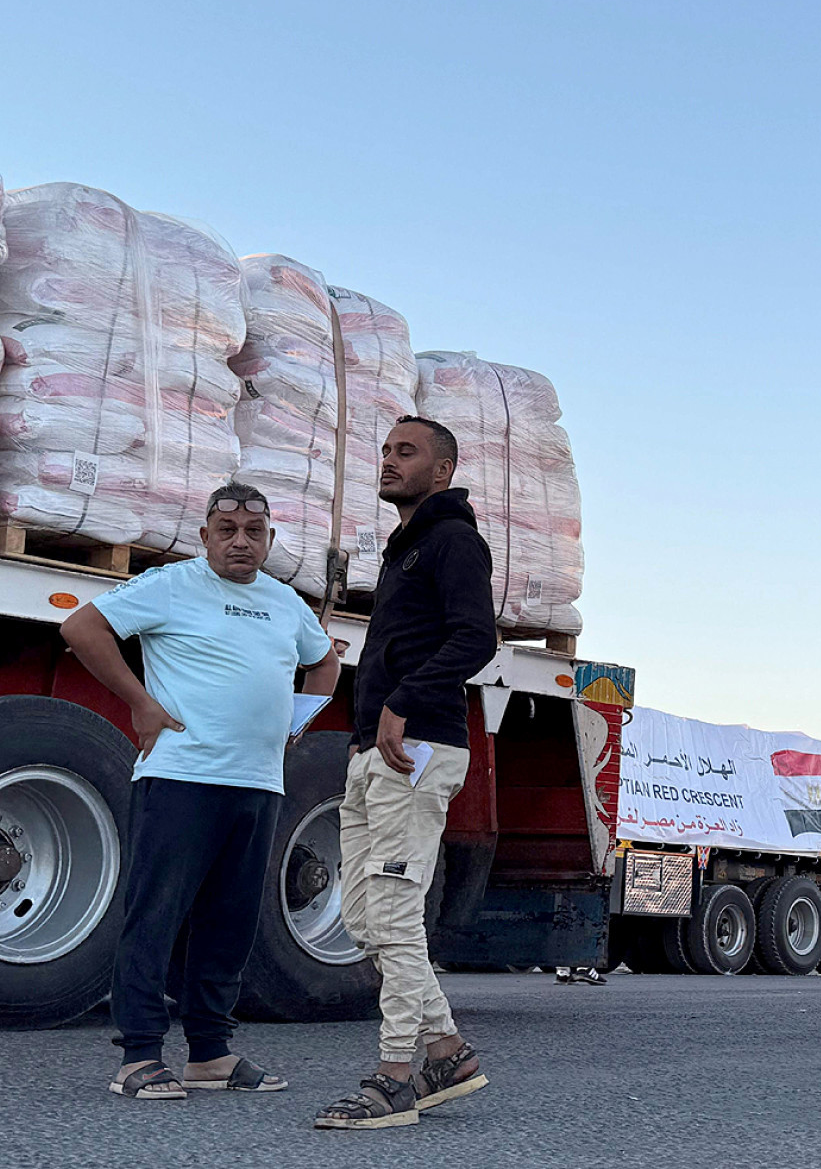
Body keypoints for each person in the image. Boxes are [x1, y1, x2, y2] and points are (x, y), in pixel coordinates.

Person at [61, 482, 339, 1101]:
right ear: (205, 535)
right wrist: (140, 703)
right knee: (156, 915)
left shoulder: (284, 601)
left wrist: (296, 721)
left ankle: (210, 1053)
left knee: (229, 922)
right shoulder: (172, 585)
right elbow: (81, 628)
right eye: (227, 530)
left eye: (255, 532)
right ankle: (138, 1056)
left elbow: (324, 662)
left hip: (258, 783)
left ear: (270, 537)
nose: (241, 542)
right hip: (181, 777)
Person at [315, 415, 498, 1131]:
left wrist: (402, 700)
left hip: (417, 746)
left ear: (442, 470)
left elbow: (475, 636)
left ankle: (395, 1076)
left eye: (406, 451)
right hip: (376, 753)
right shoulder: (404, 548)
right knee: (363, 920)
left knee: (393, 913)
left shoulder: (453, 540)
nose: (388, 460)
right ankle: (448, 1051)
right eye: (386, 450)